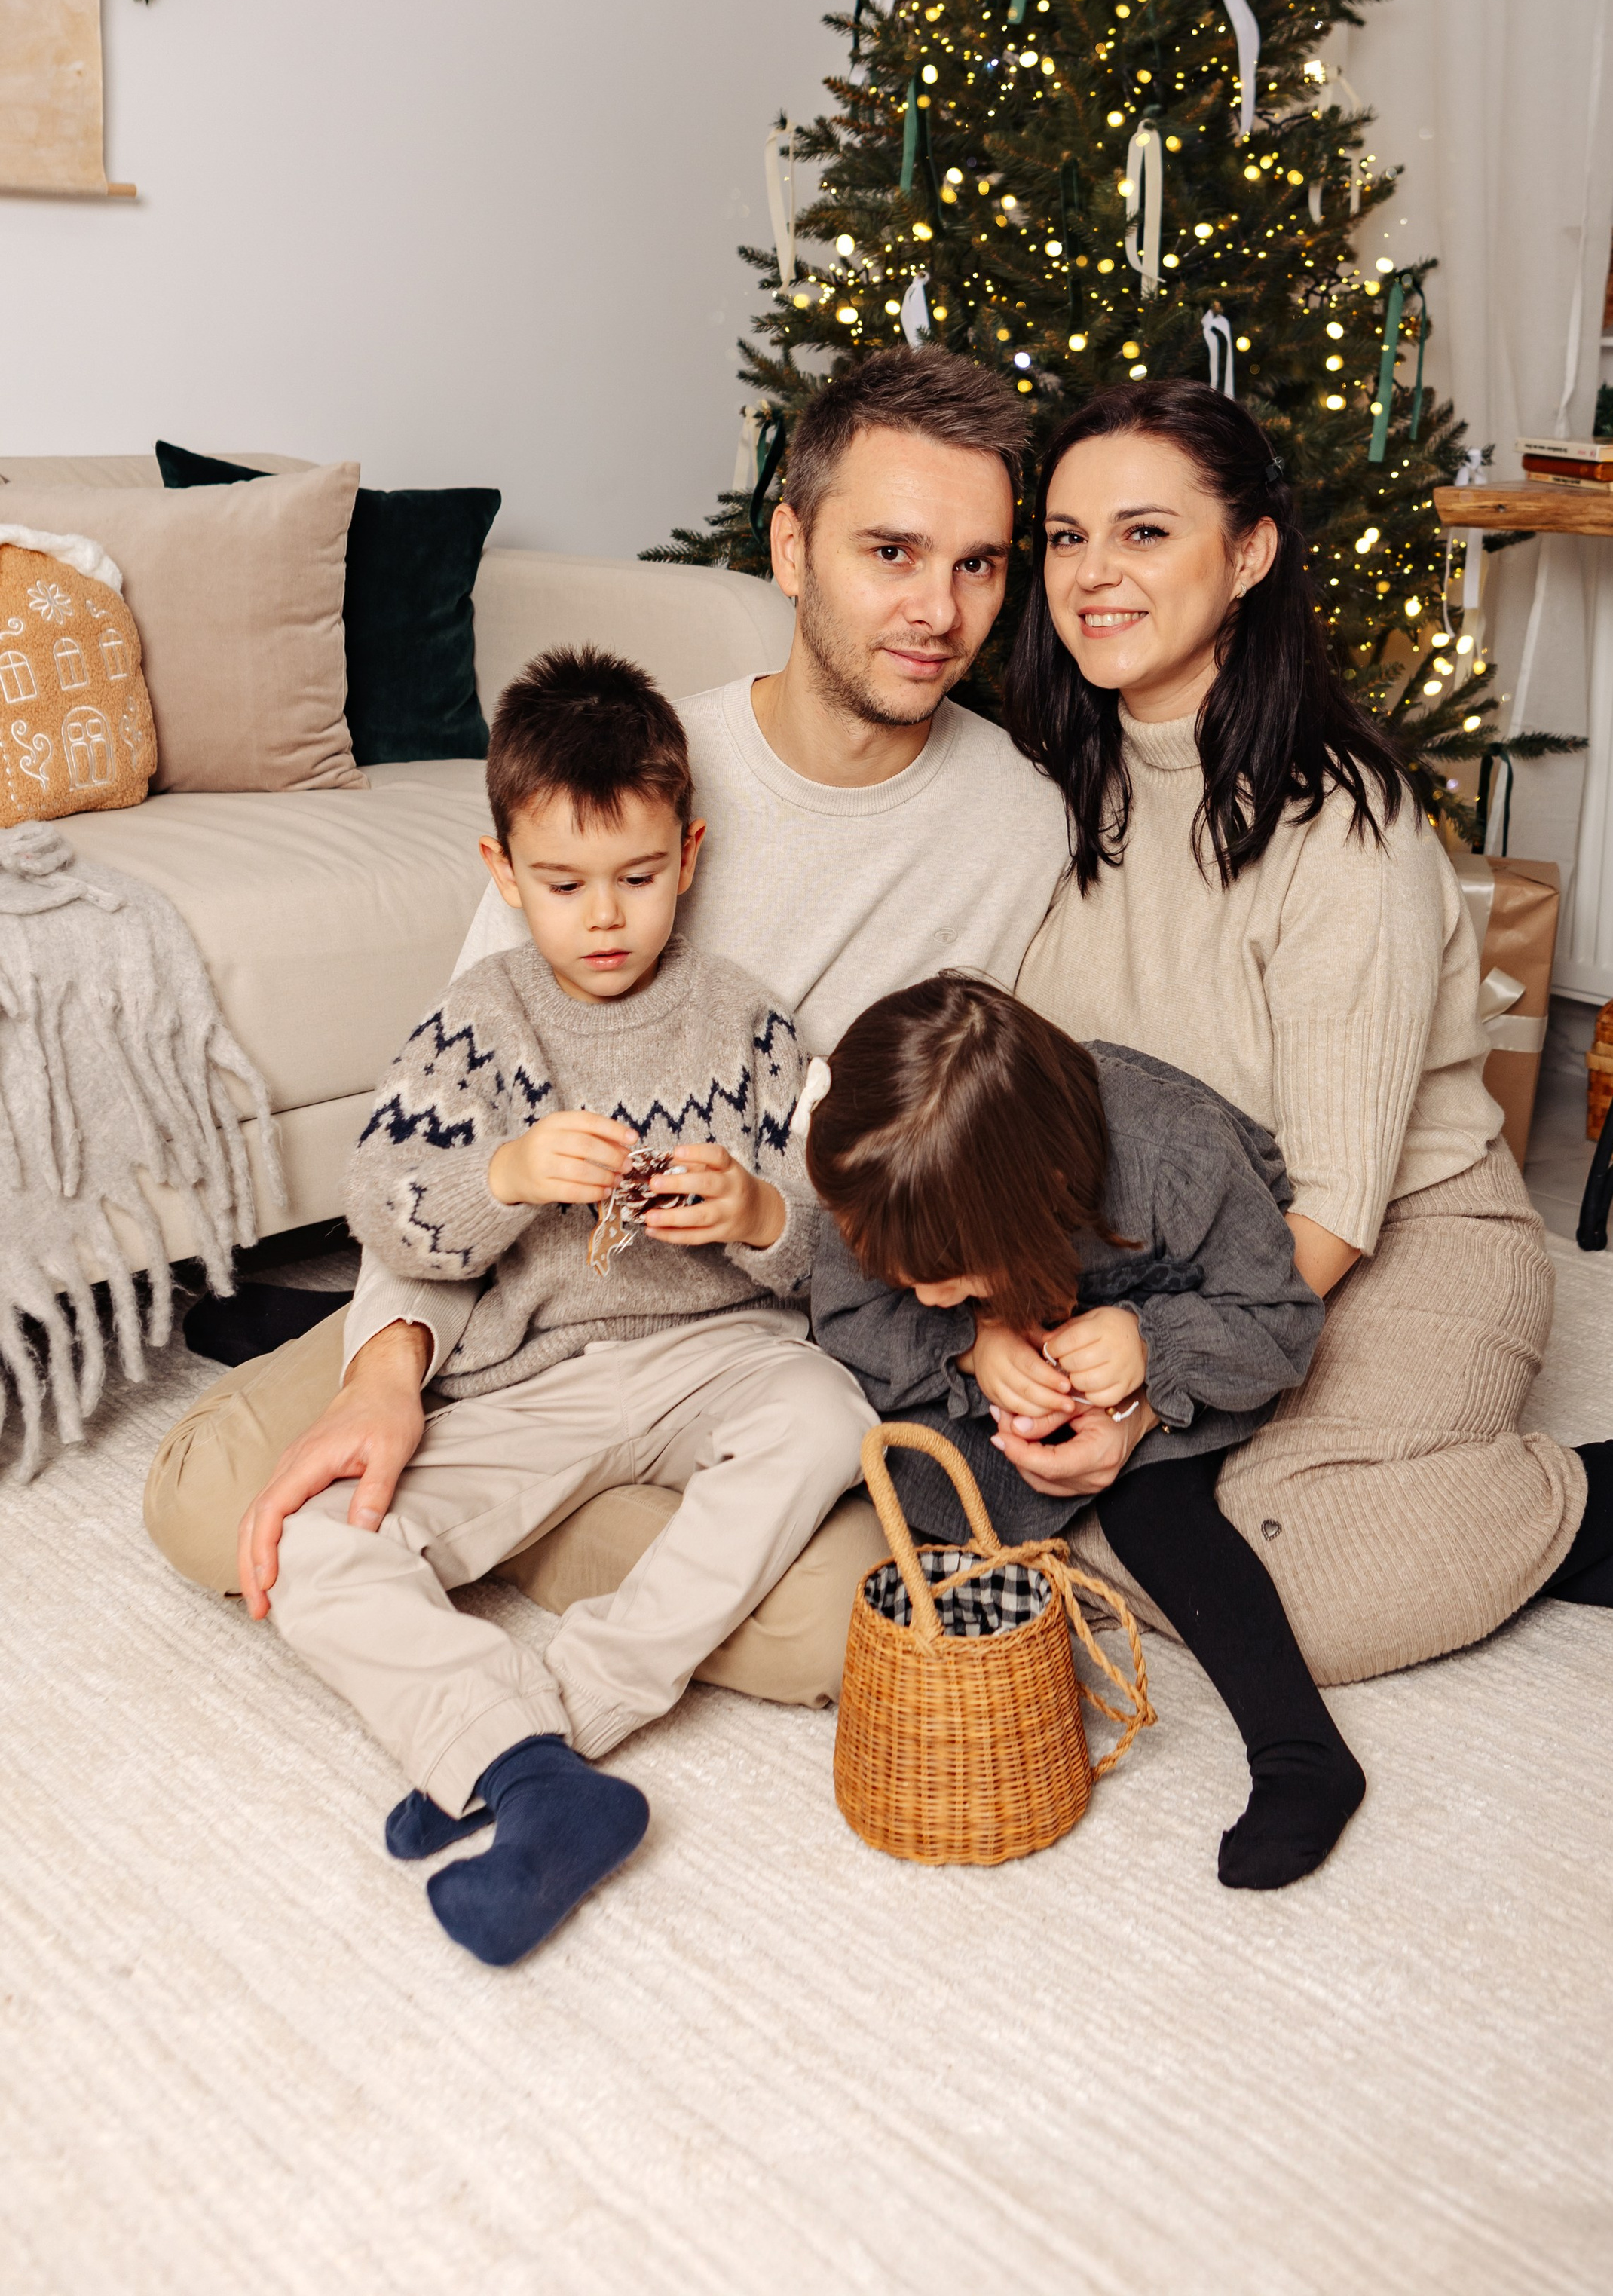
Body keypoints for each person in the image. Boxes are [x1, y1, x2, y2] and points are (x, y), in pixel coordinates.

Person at [143, 347, 1070, 1704]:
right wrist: (388, 1367)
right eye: (892, 552)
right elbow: (456, 1098)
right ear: (792, 549)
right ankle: (537, 1493)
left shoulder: (1019, 826)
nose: (939, 610)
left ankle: (526, 1517)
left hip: (754, 1337)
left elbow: (976, 1142)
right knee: (210, 1508)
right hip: (520, 1300)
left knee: (839, 1631)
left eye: (979, 564)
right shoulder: (627, 775)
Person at [1000, 381, 1613, 1681]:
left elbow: (1338, 1211)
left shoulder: (1342, 826)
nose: (1092, 574)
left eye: (1145, 533)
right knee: (1060, 1496)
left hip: (1398, 1235)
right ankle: (1537, 1539)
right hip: (1182, 1249)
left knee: (1296, 1587)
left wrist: (1153, 1379)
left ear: (1250, 554)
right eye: (1066, 537)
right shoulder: (1057, 786)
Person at [262, 645, 877, 1964]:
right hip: (531, 1377)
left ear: (690, 855)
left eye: (638, 878)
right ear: (503, 872)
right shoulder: (481, 1022)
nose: (605, 918)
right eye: (563, 884)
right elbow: (383, 1202)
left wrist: (759, 1215)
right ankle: (530, 1772)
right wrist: (507, 1174)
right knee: (314, 1545)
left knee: (831, 1418)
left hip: (721, 1355)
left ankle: (532, 1737)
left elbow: (849, 1248)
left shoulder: (752, 1027)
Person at [808, 972, 1365, 1890]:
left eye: (946, 1276)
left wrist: (1146, 1355)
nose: (925, 1293)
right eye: (903, 1274)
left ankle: (1300, 1751)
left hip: (1176, 1310)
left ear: (1040, 1205)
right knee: (911, 1470)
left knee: (1157, 1512)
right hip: (1023, 1340)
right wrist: (972, 1340)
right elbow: (843, 1313)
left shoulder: (1176, 1159)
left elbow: (1280, 1319)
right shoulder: (889, 1174)